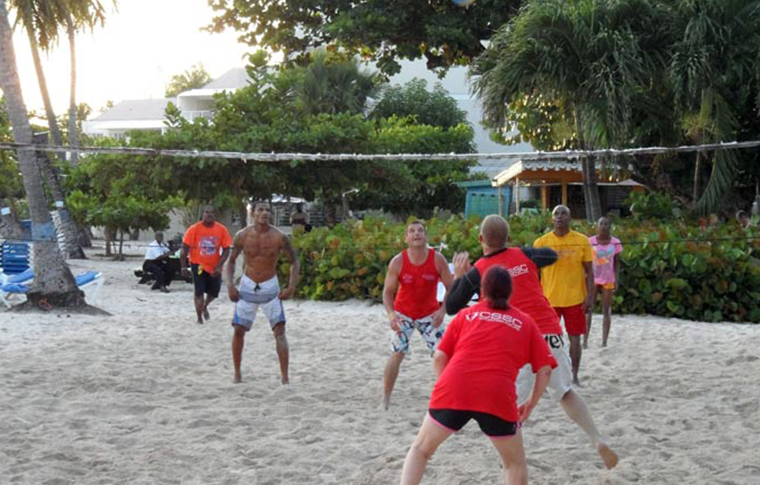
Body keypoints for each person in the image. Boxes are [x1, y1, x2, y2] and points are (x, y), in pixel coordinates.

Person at [446, 214, 619, 470]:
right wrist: (523, 253)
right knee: (565, 392)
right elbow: (549, 255)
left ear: (481, 239)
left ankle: (513, 460)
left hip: (516, 334)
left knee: (510, 405)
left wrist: (460, 276)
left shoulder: (479, 270)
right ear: (508, 239)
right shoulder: (526, 255)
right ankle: (597, 439)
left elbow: (451, 306)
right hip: (548, 330)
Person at [400, 266, 556, 485]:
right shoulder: (525, 322)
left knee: (420, 450)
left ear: (482, 291)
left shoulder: (467, 315)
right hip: (497, 394)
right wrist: (531, 403)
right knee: (514, 464)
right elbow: (545, 370)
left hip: (455, 385)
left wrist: (445, 385)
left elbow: (439, 357)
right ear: (510, 292)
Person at [226, 201, 300, 384]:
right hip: (248, 284)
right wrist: (230, 285)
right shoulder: (242, 235)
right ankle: (237, 373)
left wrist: (291, 286)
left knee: (280, 331)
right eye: (261, 210)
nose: (265, 213)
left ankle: (284, 377)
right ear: (253, 213)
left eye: (268, 210)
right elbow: (231, 261)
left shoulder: (279, 236)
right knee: (238, 329)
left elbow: (294, 261)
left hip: (269, 286)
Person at [382, 220, 453, 410]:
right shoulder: (398, 261)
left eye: (420, 231)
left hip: (430, 314)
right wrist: (391, 316)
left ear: (426, 236)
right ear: (406, 238)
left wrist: (442, 310)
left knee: (442, 355)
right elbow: (387, 293)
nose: (416, 234)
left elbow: (451, 288)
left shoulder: (437, 259)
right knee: (397, 353)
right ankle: (385, 399)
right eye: (411, 231)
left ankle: (446, 400)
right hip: (403, 313)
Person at [533, 205, 593, 386]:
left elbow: (590, 272)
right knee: (545, 340)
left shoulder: (581, 241)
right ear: (552, 219)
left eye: (563, 213)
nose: (559, 217)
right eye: (556, 214)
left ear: (570, 218)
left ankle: (574, 376)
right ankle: (543, 378)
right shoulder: (541, 243)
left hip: (575, 299)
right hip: (548, 300)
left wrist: (590, 297)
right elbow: (533, 274)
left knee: (575, 338)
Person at [180, 206, 232, 324]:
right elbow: (184, 249)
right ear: (202, 214)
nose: (209, 214)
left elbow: (226, 249)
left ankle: (204, 306)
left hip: (215, 266)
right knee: (199, 292)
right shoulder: (193, 229)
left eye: (212, 212)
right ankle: (199, 317)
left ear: (215, 215)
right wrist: (183, 266)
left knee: (214, 293)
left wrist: (219, 266)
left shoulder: (222, 229)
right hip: (198, 265)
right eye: (206, 212)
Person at [585, 217, 623, 348]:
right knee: (589, 308)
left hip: (608, 278)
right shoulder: (590, 242)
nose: (603, 226)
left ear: (610, 226)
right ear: (597, 226)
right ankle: (585, 341)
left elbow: (617, 262)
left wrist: (616, 278)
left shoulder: (615, 242)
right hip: (593, 278)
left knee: (606, 309)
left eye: (606, 224)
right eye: (601, 223)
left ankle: (604, 341)